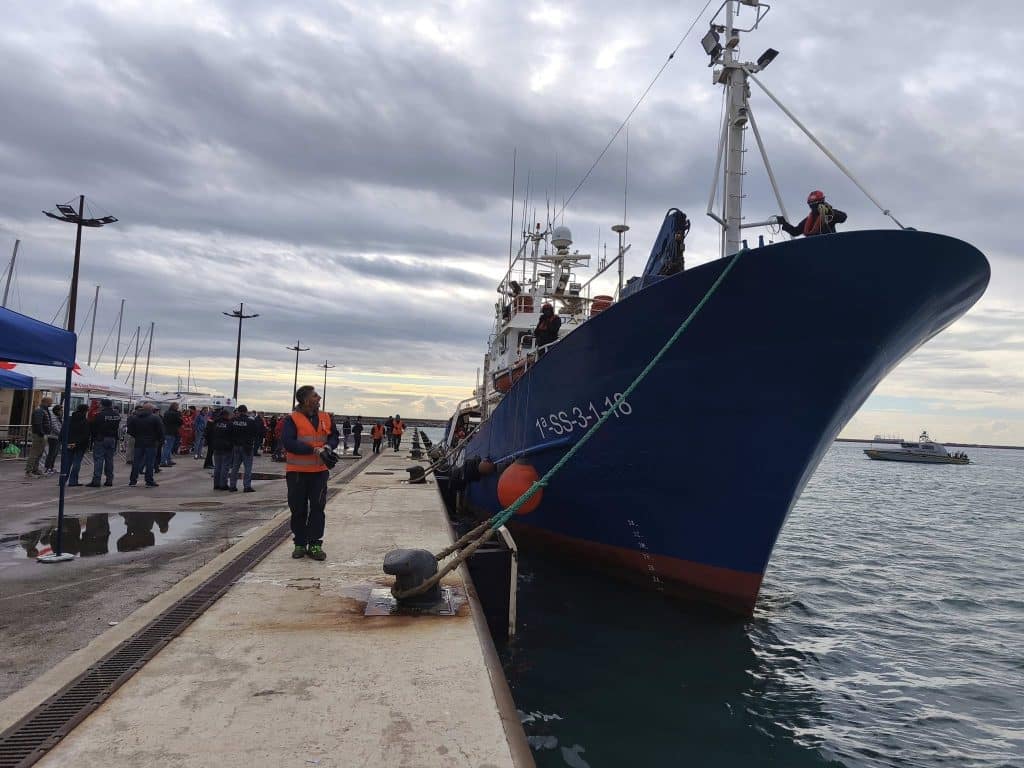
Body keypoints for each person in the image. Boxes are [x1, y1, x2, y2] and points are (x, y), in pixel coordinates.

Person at [283, 385, 339, 561]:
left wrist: (328, 447)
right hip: (297, 472)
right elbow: (288, 442)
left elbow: (334, 436)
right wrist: (314, 450)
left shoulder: (326, 417)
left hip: (319, 472)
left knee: (317, 508)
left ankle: (315, 544)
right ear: (306, 400)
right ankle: (300, 543)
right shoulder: (292, 419)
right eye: (315, 396)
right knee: (298, 509)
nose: (319, 398)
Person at [778, 190, 848, 238]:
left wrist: (829, 212)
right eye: (811, 204)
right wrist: (784, 223)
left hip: (829, 246)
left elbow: (843, 217)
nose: (813, 206)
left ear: (822, 202)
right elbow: (795, 232)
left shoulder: (830, 214)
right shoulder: (808, 220)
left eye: (815, 203)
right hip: (813, 248)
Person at [87, 398, 121, 487]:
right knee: (109, 460)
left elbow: (94, 427)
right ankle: (109, 479)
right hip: (112, 438)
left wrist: (94, 438)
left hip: (101, 438)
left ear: (103, 405)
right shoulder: (116, 415)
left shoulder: (100, 415)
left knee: (99, 459)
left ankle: (96, 480)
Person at [127, 403, 162, 487]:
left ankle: (133, 481)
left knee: (136, 462)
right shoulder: (155, 418)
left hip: (139, 442)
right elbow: (160, 430)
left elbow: (130, 430)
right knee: (150, 462)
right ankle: (149, 481)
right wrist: (159, 440)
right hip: (151, 443)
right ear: (151, 409)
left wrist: (137, 436)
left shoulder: (135, 418)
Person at [228, 405, 256, 493]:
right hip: (247, 446)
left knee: (235, 467)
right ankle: (247, 486)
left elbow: (230, 432)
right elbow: (254, 432)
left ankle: (232, 486)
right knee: (247, 467)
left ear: (239, 411)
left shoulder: (234, 421)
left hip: (236, 446)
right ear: (246, 411)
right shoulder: (250, 421)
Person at [25, 396, 52, 477]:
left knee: (39, 453)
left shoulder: (43, 410)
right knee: (34, 453)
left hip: (42, 434)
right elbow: (38, 423)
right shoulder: (40, 411)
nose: (51, 403)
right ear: (46, 402)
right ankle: (29, 471)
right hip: (39, 434)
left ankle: (35, 469)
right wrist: (41, 433)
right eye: (50, 402)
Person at [66, 403, 91, 487]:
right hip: (79, 445)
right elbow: (85, 435)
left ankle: (62, 480)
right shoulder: (85, 421)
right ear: (85, 411)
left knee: (67, 462)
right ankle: (73, 481)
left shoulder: (69, 418)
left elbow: (64, 430)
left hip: (69, 443)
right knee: (77, 462)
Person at [210, 408, 234, 490]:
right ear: (227, 415)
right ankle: (223, 484)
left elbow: (210, 433)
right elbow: (232, 435)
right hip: (226, 447)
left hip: (216, 446)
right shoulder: (229, 424)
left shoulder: (215, 423)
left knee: (217, 466)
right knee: (225, 467)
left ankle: (216, 484)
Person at [161, 402, 183, 467]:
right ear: (174, 407)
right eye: (177, 406)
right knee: (168, 447)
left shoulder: (166, 412)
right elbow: (180, 422)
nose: (178, 407)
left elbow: (164, 421)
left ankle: (168, 460)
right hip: (172, 432)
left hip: (166, 431)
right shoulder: (175, 414)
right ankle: (163, 461)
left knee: (167, 447)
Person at [43, 404, 62, 474]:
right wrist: (61, 433)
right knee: (52, 453)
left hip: (57, 437)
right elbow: (54, 427)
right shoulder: (53, 417)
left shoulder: (58, 417)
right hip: (53, 437)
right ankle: (47, 467)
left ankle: (51, 467)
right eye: (61, 410)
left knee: (55, 453)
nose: (61, 412)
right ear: (57, 410)